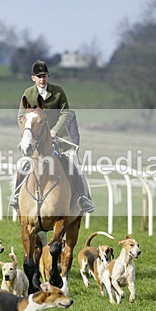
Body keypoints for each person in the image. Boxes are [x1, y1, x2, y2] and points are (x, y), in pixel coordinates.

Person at [11, 60, 95, 213]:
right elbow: (21, 117)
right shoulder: (28, 93)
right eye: (39, 76)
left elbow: (65, 113)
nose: (42, 79)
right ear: (33, 78)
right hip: (36, 141)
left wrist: (55, 130)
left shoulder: (58, 92)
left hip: (60, 139)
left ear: (48, 76)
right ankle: (16, 195)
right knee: (22, 164)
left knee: (75, 164)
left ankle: (83, 198)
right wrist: (29, 135)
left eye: (44, 76)